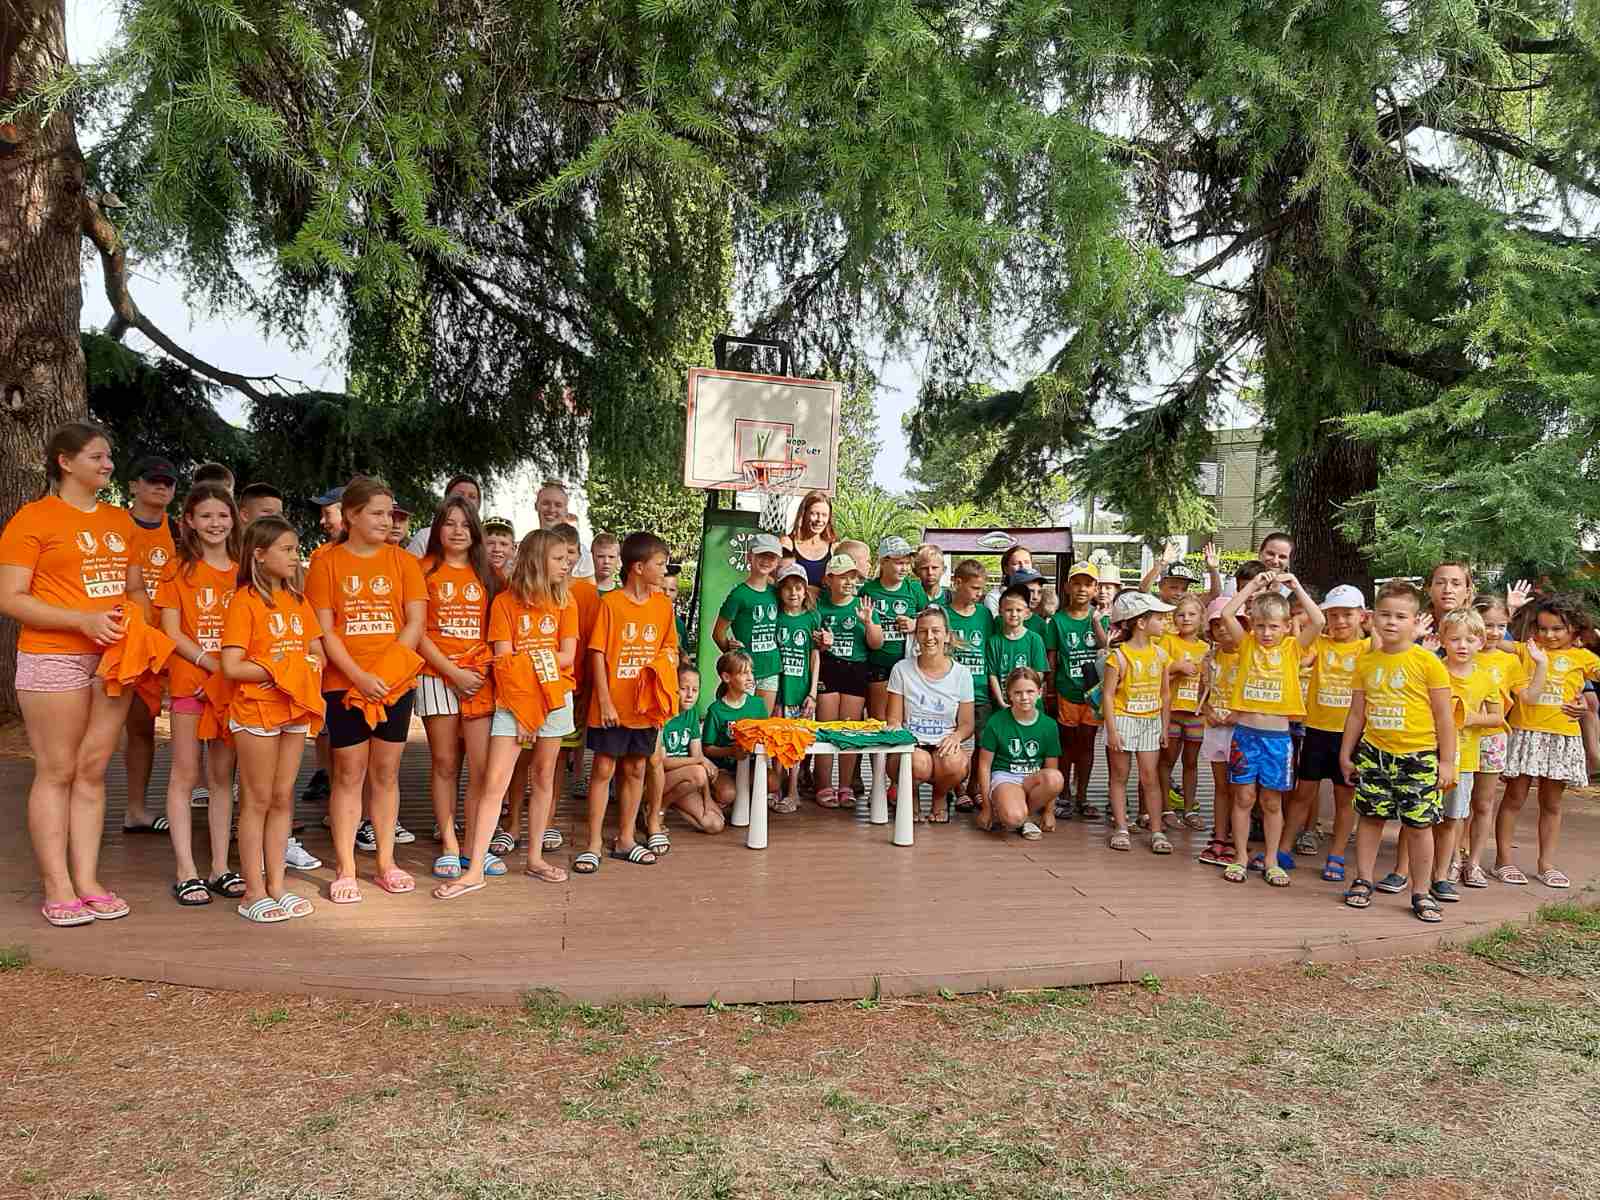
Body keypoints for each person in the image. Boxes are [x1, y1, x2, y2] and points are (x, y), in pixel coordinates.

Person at [0, 422, 138, 925]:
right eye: (98, 457)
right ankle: (56, 885)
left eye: (108, 457)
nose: (107, 465)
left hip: (115, 660)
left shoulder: (120, 521)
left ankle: (87, 880)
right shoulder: (32, 518)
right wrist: (81, 620)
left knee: (92, 770)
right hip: (52, 655)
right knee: (56, 770)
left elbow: (135, 589)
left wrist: (138, 624)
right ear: (65, 461)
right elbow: (10, 598)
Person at [305, 476, 427, 902]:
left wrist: (388, 674)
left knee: (386, 774)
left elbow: (414, 623)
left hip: (394, 683)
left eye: (389, 512)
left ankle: (386, 863)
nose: (386, 520)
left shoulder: (404, 563)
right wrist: (358, 676)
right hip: (345, 684)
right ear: (351, 515)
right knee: (348, 774)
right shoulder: (326, 562)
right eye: (376, 512)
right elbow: (324, 629)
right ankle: (346, 868)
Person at [446, 529, 576, 898]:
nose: (566, 564)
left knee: (544, 777)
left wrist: (529, 668)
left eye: (567, 559)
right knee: (494, 782)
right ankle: (474, 869)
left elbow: (568, 656)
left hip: (553, 700)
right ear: (537, 560)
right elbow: (502, 659)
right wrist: (525, 703)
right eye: (558, 558)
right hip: (513, 703)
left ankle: (535, 858)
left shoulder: (566, 602)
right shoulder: (504, 603)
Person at [219, 515, 324, 923]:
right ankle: (253, 890)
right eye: (288, 550)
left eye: (296, 550)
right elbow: (231, 665)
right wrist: (280, 670)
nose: (295, 558)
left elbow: (317, 652)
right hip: (256, 711)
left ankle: (278, 884)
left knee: (283, 798)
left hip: (294, 711)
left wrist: (299, 667)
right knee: (257, 800)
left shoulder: (299, 601)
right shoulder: (243, 601)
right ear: (259, 555)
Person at [1338, 581, 1456, 921]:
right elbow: (1357, 713)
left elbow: (1444, 716)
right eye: (1385, 615)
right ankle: (1362, 878)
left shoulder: (1428, 662)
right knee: (1371, 818)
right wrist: (1347, 754)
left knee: (1419, 826)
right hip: (1374, 754)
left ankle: (1420, 891)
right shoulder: (1366, 662)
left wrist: (1447, 761)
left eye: (1401, 616)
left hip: (1418, 757)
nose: (1392, 622)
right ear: (1373, 618)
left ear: (1415, 619)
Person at [154, 482, 246, 905]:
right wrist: (211, 663)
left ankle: (220, 867)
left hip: (233, 690)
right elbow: (171, 632)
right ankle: (185, 869)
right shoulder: (176, 570)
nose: (215, 523)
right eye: (206, 515)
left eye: (222, 515)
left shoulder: (245, 569)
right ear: (189, 520)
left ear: (234, 520)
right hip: (192, 683)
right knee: (186, 774)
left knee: (222, 777)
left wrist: (230, 670)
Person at [579, 531, 679, 872]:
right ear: (638, 567)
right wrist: (604, 700)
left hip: (645, 706)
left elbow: (670, 646)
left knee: (637, 767)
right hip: (612, 705)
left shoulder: (663, 605)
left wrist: (663, 667)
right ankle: (592, 843)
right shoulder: (612, 604)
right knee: (604, 768)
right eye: (660, 564)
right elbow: (596, 653)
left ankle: (625, 839)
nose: (664, 571)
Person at [1215, 570, 1324, 884]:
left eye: (1273, 626)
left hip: (1277, 738)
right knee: (1243, 798)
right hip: (1245, 735)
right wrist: (1253, 586)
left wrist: (1297, 586)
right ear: (1252, 624)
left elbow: (1317, 622)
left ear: (1287, 626)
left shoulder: (1292, 649)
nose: (1265, 633)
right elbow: (1226, 613)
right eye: (1260, 625)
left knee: (1271, 801)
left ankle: (1272, 859)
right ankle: (1239, 857)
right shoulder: (1246, 644)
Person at [414, 496, 496, 879]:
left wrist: (475, 674)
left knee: (480, 767)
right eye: (449, 523)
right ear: (437, 529)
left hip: (479, 678)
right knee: (446, 763)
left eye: (465, 524)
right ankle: (448, 843)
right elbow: (418, 633)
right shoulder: (422, 570)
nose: (458, 531)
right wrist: (452, 673)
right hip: (436, 675)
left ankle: (474, 846)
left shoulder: (488, 573)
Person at [1498, 594, 1600, 889]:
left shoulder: (1583, 658)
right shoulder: (1526, 650)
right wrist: (1510, 612)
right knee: (1514, 798)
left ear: (1574, 630)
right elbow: (1490, 641)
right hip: (1525, 733)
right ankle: (1504, 860)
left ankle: (1546, 864)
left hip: (1562, 738)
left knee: (1552, 803)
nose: (1548, 635)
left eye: (1557, 629)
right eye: (1543, 628)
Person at [1286, 585, 1368, 884]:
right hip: (1317, 730)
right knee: (1303, 792)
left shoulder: (1368, 648)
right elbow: (1299, 660)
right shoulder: (1319, 643)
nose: (1341, 622)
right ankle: (1283, 848)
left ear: (1362, 616)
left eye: (1347, 614)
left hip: (1351, 734)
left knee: (1344, 797)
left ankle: (1336, 854)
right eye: (1334, 615)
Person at [120, 454, 178, 834]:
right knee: (113, 728)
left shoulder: (181, 532)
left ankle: (137, 809)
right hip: (121, 641)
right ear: (133, 485)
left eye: (168, 481)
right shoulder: (115, 525)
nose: (161, 486)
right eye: (152, 479)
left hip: (169, 643)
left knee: (146, 728)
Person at [1434, 607, 1501, 905]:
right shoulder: (1434, 670)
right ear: (1442, 640)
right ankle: (1412, 870)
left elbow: (1497, 717)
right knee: (1422, 817)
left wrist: (1473, 718)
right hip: (1430, 755)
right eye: (1456, 639)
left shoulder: (1485, 678)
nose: (1463, 645)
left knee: (1452, 818)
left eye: (1470, 639)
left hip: (1465, 760)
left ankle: (1443, 870)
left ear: (1480, 641)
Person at [1101, 591, 1174, 853]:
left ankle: (1156, 830)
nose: (1164, 622)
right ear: (1141, 622)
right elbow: (1108, 695)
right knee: (1119, 775)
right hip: (1123, 719)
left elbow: (1165, 694)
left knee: (1149, 777)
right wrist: (1112, 730)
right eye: (1159, 618)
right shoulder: (1118, 657)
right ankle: (1121, 826)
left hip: (1150, 721)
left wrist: (1164, 726)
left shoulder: (1162, 655)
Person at [887, 607, 975, 825]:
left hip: (943, 743)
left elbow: (966, 724)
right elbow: (894, 719)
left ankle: (940, 797)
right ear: (916, 635)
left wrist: (955, 738)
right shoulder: (901, 669)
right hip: (911, 744)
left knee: (955, 763)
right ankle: (911, 795)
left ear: (947, 635)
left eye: (936, 631)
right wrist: (902, 737)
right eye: (923, 631)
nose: (929, 637)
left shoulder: (962, 674)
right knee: (917, 762)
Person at [813, 551, 884, 808]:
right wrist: (820, 643)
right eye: (841, 577)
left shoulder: (862, 605)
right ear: (828, 579)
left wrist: (868, 623)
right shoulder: (819, 606)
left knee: (850, 728)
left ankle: (845, 785)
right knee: (826, 727)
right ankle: (823, 784)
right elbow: (812, 643)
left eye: (852, 577)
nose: (847, 582)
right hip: (829, 667)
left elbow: (876, 644)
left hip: (855, 668)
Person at [1043, 561, 1107, 820]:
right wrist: (1048, 691)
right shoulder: (1057, 621)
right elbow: (1052, 659)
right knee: (1067, 745)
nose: (1082, 589)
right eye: (1077, 583)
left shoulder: (1100, 618)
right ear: (1068, 587)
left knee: (1088, 744)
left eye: (1088, 584)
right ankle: (1065, 795)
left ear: (1095, 589)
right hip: (1066, 692)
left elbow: (1108, 650)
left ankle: (1083, 795)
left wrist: (1098, 623)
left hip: (1094, 694)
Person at [1462, 595, 1518, 888]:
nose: (1494, 633)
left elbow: (1527, 696)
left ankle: (1473, 863)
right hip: (1461, 738)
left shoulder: (1510, 660)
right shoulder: (1462, 652)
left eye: (1501, 626)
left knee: (1482, 804)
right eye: (1488, 625)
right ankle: (1452, 859)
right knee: (1457, 805)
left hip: (1493, 739)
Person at [299, 485, 345, 818]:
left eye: (328, 512)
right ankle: (336, 807)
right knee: (331, 734)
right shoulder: (320, 556)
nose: (323, 520)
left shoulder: (386, 555)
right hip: (329, 662)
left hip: (368, 664)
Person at [976, 667, 1064, 837]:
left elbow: (1052, 767)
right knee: (1013, 818)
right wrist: (986, 807)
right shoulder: (996, 721)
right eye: (1018, 693)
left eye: (1030, 691)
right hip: (1006, 777)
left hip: (1032, 778)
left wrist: (1049, 812)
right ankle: (1014, 813)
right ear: (1009, 694)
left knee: (1055, 778)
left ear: (1040, 692)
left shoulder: (1049, 725)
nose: (1024, 697)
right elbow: (984, 765)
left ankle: (1028, 815)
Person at [936, 559, 994, 810]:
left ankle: (973, 787)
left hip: (979, 688)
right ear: (957, 583)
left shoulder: (984, 614)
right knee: (950, 739)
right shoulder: (943, 614)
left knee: (983, 741)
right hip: (949, 690)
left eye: (981, 589)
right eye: (975, 588)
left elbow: (990, 648)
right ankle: (955, 788)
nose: (979, 594)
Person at [714, 533, 783, 713]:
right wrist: (732, 657)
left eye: (772, 557)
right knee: (743, 723)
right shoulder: (738, 595)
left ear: (777, 561)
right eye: (761, 555)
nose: (766, 560)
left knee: (763, 723)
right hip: (744, 672)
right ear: (749, 557)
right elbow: (718, 633)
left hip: (771, 668)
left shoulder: (776, 592)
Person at [1158, 594, 1209, 831]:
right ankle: (1166, 808)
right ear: (1174, 618)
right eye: (1181, 614)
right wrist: (1177, 668)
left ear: (1201, 619)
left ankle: (1189, 809)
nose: (1186, 618)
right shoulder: (1167, 642)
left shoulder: (1206, 648)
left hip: (1196, 714)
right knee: (1167, 761)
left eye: (1191, 614)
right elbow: (1157, 674)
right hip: (1172, 712)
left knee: (1191, 763)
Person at [701, 649, 775, 810]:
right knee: (727, 793)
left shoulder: (758, 704)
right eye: (743, 673)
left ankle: (743, 797)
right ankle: (716, 796)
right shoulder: (716, 710)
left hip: (751, 766)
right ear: (726, 677)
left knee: (773, 782)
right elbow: (706, 749)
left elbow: (765, 736)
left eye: (751, 672)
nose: (750, 678)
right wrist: (730, 751)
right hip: (723, 768)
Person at [1197, 596, 1240, 867]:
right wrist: (1209, 712)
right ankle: (1220, 836)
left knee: (1241, 788)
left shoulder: (1249, 655)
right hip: (1216, 727)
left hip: (1242, 728)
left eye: (1228, 623)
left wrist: (1238, 715)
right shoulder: (1210, 657)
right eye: (1217, 624)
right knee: (1221, 786)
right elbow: (1204, 692)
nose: (1223, 629)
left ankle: (1238, 837)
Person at [773, 561, 820, 810]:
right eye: (788, 588)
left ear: (805, 591)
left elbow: (815, 655)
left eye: (799, 588)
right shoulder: (776, 616)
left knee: (796, 742)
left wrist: (812, 692)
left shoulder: (812, 618)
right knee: (777, 740)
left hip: (801, 690)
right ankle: (775, 788)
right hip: (778, 690)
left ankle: (793, 792)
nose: (793, 593)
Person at [862, 536, 922, 725]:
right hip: (877, 663)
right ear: (883, 561)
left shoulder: (914, 589)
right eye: (898, 563)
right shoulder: (868, 590)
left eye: (907, 563)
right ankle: (877, 756)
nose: (904, 568)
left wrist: (915, 624)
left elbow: (933, 618)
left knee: (903, 718)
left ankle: (899, 756)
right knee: (878, 720)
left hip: (907, 663)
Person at [661, 665, 722, 832]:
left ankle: (672, 802)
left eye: (694, 690)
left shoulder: (692, 713)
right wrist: (700, 761)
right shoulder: (662, 712)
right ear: (673, 688)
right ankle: (658, 807)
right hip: (658, 782)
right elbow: (663, 762)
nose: (689, 695)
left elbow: (698, 754)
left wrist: (707, 798)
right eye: (683, 689)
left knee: (715, 824)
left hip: (685, 781)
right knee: (698, 773)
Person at [986, 585, 1048, 710]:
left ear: (1027, 613)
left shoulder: (1034, 639)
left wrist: (1027, 698)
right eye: (1009, 610)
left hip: (1029, 703)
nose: (1014, 614)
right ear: (1000, 611)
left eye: (1019, 610)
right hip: (1004, 703)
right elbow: (992, 675)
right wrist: (1000, 701)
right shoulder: (994, 642)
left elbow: (1039, 673)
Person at [405, 474, 481, 556]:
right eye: (459, 495)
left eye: (472, 496)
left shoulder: (488, 540)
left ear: (479, 504)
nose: (465, 500)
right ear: (446, 499)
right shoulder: (425, 536)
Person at [782, 490, 837, 592]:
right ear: (804, 514)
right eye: (814, 514)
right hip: (795, 606)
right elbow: (775, 579)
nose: (819, 520)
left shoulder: (834, 548)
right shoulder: (787, 543)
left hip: (823, 607)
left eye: (824, 515)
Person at [536, 480, 593, 577]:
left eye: (558, 505)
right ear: (536, 506)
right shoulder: (525, 548)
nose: (551, 509)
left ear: (566, 511)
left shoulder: (583, 556)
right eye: (546, 503)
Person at [984, 545, 1035, 615]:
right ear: (1006, 569)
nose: (1023, 567)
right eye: (1016, 563)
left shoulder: (1037, 595)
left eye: (1027, 562)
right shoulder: (994, 597)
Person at [483, 515, 516, 582]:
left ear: (513, 549)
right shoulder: (471, 577)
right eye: (490, 543)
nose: (497, 549)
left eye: (503, 544)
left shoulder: (521, 582)